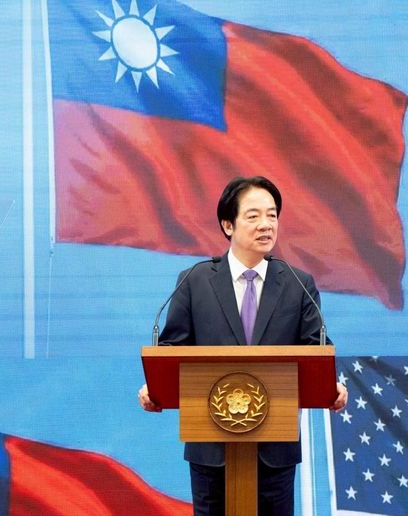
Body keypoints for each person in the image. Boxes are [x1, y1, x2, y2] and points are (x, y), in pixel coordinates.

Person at [138, 176, 348, 516]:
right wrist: (156, 388)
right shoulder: (195, 281)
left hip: (274, 451)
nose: (266, 224)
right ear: (227, 224)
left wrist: (332, 386)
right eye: (253, 216)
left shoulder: (297, 284)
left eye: (272, 215)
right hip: (211, 450)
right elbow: (172, 350)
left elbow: (317, 349)